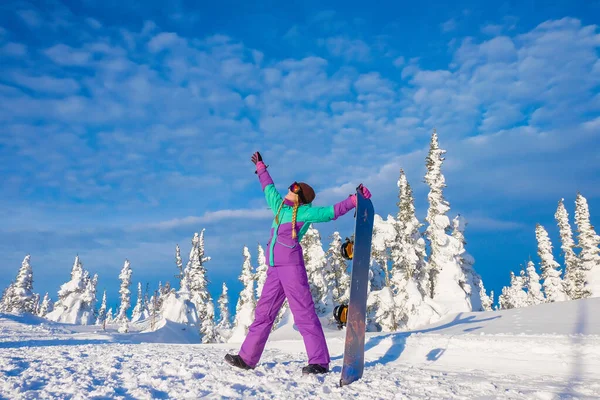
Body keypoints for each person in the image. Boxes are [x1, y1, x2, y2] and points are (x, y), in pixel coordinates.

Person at [225, 151, 372, 375]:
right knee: (263, 314)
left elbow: (330, 212)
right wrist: (262, 168)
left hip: (292, 269)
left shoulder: (305, 212)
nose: (287, 190)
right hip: (274, 270)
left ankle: (320, 362)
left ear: (299, 196)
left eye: (292, 189)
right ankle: (247, 358)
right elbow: (268, 188)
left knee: (304, 313)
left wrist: (354, 200)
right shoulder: (279, 207)